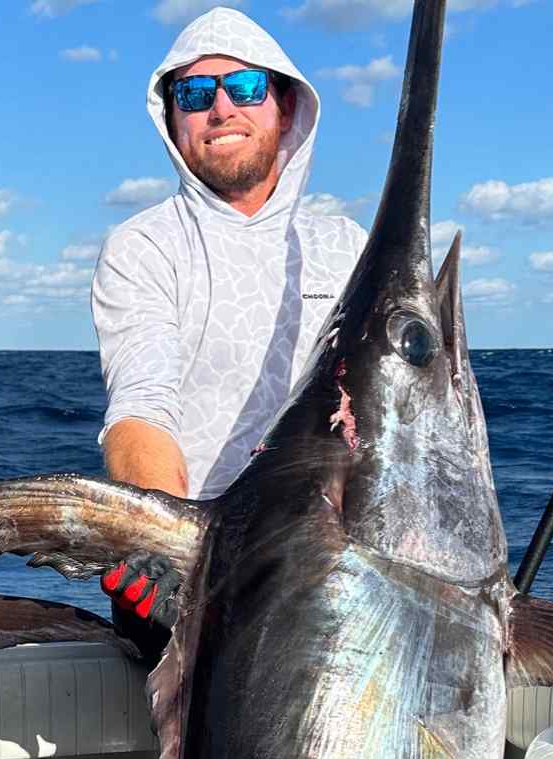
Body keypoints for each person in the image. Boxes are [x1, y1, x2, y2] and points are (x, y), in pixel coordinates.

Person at [92, 7, 368, 633]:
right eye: (193, 94)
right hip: (188, 568)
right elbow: (142, 405)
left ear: (287, 109)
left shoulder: (349, 246)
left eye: (245, 88)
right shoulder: (144, 245)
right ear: (172, 120)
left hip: (330, 563)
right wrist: (168, 540)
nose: (221, 109)